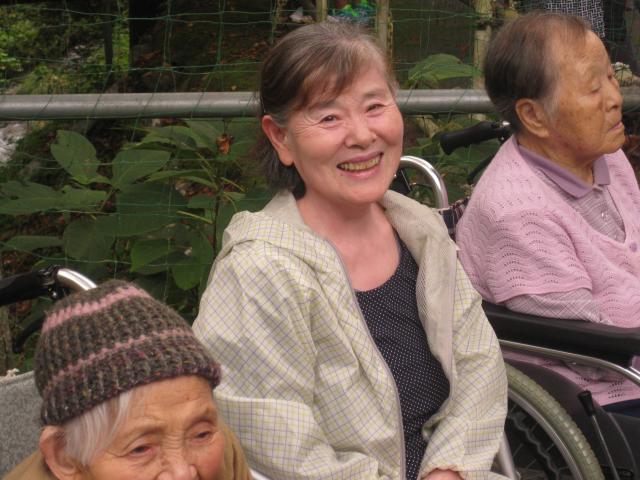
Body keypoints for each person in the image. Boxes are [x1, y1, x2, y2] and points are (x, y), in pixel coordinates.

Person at [193, 21, 507, 480]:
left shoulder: (420, 232)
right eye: (328, 118)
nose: (361, 135)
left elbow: (480, 366)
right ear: (281, 138)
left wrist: (449, 470)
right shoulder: (258, 271)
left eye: (375, 106)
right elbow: (279, 448)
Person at [456, 12, 640, 417]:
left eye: (611, 77)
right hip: (599, 398)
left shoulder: (606, 155)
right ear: (534, 116)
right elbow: (593, 349)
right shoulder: (516, 212)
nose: (615, 98)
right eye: (594, 88)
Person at [4, 280, 252, 480]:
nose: (182, 472)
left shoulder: (222, 456)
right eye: (140, 449)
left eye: (201, 434)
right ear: (65, 458)